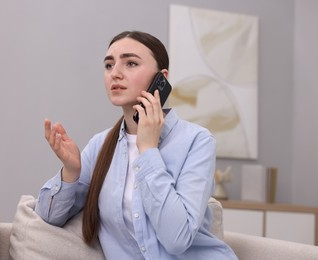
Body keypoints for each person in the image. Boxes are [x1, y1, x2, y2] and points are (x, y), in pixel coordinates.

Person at [35, 30, 237, 259]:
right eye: (109, 65)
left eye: (130, 63)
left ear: (161, 79)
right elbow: (48, 216)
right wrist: (71, 172)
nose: (115, 74)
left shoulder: (197, 141)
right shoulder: (100, 146)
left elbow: (177, 239)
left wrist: (148, 150)